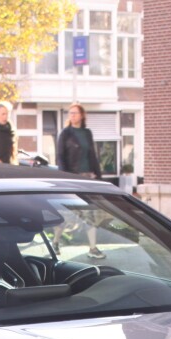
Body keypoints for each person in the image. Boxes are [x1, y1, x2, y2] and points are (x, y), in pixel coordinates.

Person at [56, 103, 106, 259]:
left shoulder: (87, 133)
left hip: (88, 178)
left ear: (82, 115)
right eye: (70, 113)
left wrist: (98, 175)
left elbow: (92, 155)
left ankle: (92, 248)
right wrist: (65, 177)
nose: (72, 116)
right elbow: (60, 156)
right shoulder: (65, 133)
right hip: (72, 177)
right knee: (66, 213)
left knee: (91, 212)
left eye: (75, 113)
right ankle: (55, 242)